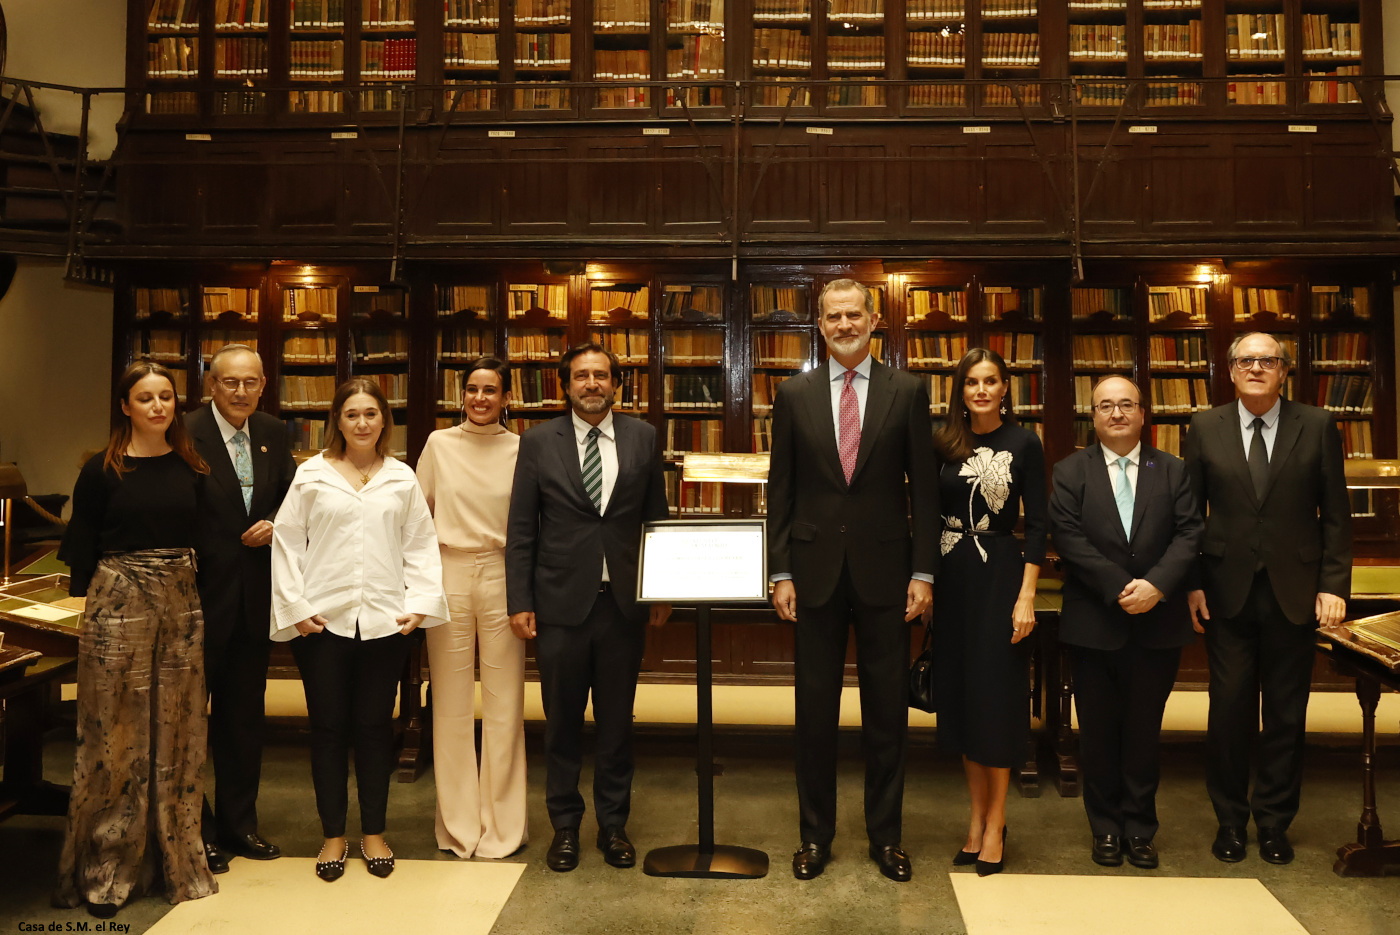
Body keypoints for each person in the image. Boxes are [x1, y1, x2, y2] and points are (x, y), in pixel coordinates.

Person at [767, 278, 939, 883]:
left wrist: (923, 572)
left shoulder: (909, 391)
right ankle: (815, 838)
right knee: (814, 713)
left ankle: (886, 837)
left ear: (874, 320)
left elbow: (923, 487)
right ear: (820, 324)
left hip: (888, 574)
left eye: (854, 315)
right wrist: (780, 569)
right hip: (811, 576)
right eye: (833, 316)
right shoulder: (793, 394)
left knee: (886, 713)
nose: (844, 325)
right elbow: (781, 490)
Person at [54, 360, 216, 918]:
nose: (157, 407)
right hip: (117, 602)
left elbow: (206, 539)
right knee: (114, 732)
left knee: (179, 729)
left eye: (166, 397)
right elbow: (80, 546)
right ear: (125, 406)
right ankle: (108, 865)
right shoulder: (101, 470)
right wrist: (85, 608)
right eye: (145, 398)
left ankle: (175, 856)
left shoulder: (194, 464)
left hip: (181, 604)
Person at [271, 377, 448, 881]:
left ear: (383, 421)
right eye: (352, 414)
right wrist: (296, 606)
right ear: (338, 421)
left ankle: (373, 833)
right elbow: (287, 544)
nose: (362, 422)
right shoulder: (311, 476)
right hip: (320, 625)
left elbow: (420, 544)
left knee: (373, 728)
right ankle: (332, 836)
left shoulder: (401, 477)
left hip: (384, 624)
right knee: (328, 729)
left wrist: (419, 604)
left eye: (371, 413)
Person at [1184, 332, 1351, 866]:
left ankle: (1275, 823)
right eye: (1247, 360)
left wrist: (1333, 584)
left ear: (1284, 372)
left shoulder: (1319, 425)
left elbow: (1337, 515)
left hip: (1296, 593)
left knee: (1285, 715)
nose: (1257, 368)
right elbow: (1190, 515)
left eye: (1268, 361)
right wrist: (1190, 582)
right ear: (1231, 371)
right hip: (1225, 593)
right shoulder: (1204, 426)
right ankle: (1230, 822)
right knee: (1228, 712)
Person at [505, 343, 671, 873]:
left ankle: (614, 826)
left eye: (602, 375)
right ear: (565, 385)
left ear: (617, 384)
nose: (592, 384)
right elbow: (521, 529)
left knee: (618, 722)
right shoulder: (536, 442)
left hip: (623, 605)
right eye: (581, 376)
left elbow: (655, 519)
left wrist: (660, 586)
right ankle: (567, 828)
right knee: (562, 725)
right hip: (558, 606)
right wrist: (520, 600)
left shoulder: (643, 436)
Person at [1048, 375, 1202, 870]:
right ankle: (1105, 828)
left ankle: (1140, 828)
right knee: (1096, 731)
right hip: (1095, 622)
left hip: (1158, 624)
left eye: (1126, 405)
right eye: (1105, 406)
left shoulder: (1174, 470)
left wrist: (1156, 586)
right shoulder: (1071, 471)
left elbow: (1189, 534)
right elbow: (1069, 538)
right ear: (1092, 417)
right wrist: (1119, 586)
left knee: (1142, 732)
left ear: (1142, 414)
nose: (1116, 413)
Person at [932, 347, 1047, 877]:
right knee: (960, 704)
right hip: (952, 578)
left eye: (990, 381)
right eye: (971, 382)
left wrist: (1026, 596)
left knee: (995, 704)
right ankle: (975, 819)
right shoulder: (943, 442)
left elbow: (1040, 526)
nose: (980, 390)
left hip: (1001, 578)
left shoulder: (1025, 442)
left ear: (1006, 388)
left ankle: (998, 821)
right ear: (960, 390)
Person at [185, 344, 296, 872]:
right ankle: (195, 831)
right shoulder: (183, 432)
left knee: (243, 722)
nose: (241, 392)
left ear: (262, 384)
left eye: (251, 382)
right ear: (212, 385)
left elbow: (295, 499)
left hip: (255, 603)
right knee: (187, 725)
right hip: (195, 603)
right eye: (230, 382)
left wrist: (276, 520)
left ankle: (239, 825)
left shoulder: (275, 432)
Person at [416, 358, 527, 858]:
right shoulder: (440, 444)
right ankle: (459, 826)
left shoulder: (523, 448)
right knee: (452, 704)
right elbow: (418, 517)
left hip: (504, 572)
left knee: (506, 705)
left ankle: (504, 827)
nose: (481, 398)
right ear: (461, 395)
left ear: (507, 398)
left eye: (491, 390)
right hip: (448, 571)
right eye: (472, 389)